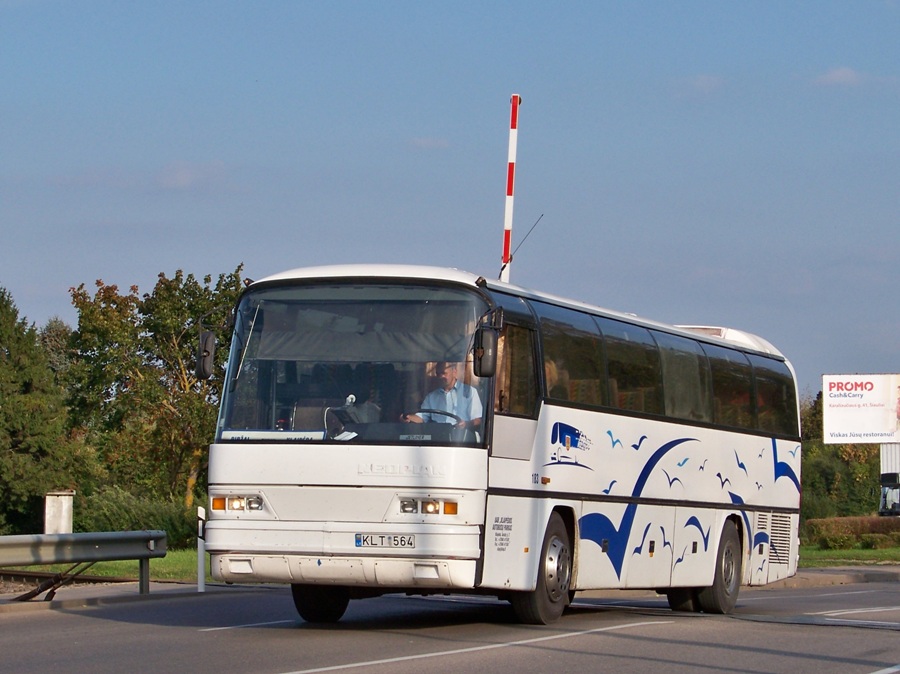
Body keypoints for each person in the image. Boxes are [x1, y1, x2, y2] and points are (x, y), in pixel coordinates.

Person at [401, 361, 483, 430]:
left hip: (461, 439)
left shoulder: (469, 392)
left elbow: (478, 420)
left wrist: (466, 424)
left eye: (444, 373)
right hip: (438, 438)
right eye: (438, 374)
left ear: (454, 372)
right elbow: (422, 418)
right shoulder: (431, 397)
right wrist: (408, 418)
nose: (441, 376)